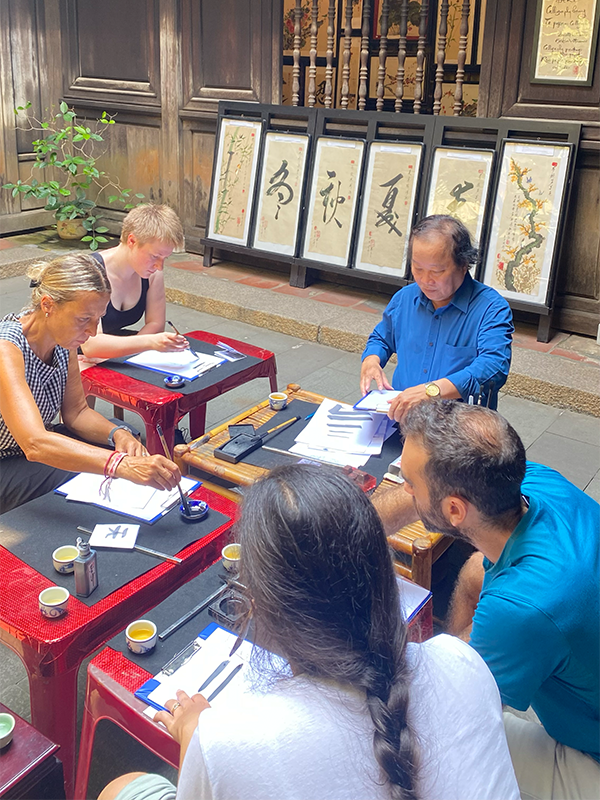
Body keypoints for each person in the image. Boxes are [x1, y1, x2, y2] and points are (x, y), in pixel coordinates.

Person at [99, 464, 519, 800]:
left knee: (121, 787)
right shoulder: (463, 661)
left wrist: (194, 737)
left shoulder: (228, 742)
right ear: (384, 574)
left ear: (261, 604)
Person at [382, 400, 600, 799]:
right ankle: (472, 656)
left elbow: (461, 711)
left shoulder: (522, 609)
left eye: (409, 482)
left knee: (426, 749)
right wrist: (353, 520)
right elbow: (481, 572)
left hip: (592, 758)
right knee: (476, 569)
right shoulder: (532, 483)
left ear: (453, 510)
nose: (404, 489)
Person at [0, 253, 181, 514]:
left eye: (98, 319)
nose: (92, 332)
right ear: (48, 305)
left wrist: (118, 435)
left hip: (31, 446)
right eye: (84, 319)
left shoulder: (63, 341)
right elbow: (35, 443)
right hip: (8, 459)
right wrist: (119, 465)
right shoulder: (7, 347)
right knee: (82, 474)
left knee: (124, 436)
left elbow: (77, 413)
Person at [360, 215, 513, 422]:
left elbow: (493, 366)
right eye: (418, 269)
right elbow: (382, 338)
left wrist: (431, 391)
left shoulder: (491, 308)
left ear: (463, 264)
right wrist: (371, 360)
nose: (425, 280)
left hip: (459, 429)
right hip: (403, 419)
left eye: (437, 271)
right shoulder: (405, 298)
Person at [79, 203, 189, 360]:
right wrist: (148, 343)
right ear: (132, 241)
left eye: (165, 258)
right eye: (154, 256)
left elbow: (156, 324)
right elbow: (91, 344)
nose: (159, 266)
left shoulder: (153, 274)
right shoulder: (90, 273)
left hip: (108, 354)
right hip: (68, 354)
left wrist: (126, 353)